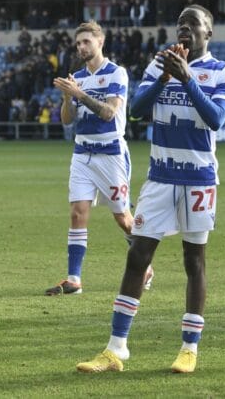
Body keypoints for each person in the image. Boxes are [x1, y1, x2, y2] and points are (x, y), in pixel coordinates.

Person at [76, 4, 225, 374]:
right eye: (180, 23)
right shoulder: (157, 65)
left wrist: (187, 79)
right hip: (160, 178)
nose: (184, 29)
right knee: (137, 255)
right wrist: (166, 77)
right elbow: (134, 111)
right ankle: (116, 349)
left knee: (193, 261)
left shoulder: (222, 71)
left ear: (207, 33)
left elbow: (215, 118)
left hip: (198, 179)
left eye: (192, 24)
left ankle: (189, 349)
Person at [48, 21, 153, 296]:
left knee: (123, 218)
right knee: (77, 212)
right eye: (78, 43)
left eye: (86, 42)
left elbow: (109, 113)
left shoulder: (116, 73)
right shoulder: (78, 77)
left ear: (100, 41)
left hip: (111, 154)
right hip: (82, 153)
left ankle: (146, 266)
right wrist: (66, 99)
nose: (81, 47)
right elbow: (68, 122)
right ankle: (74, 279)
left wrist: (79, 95)